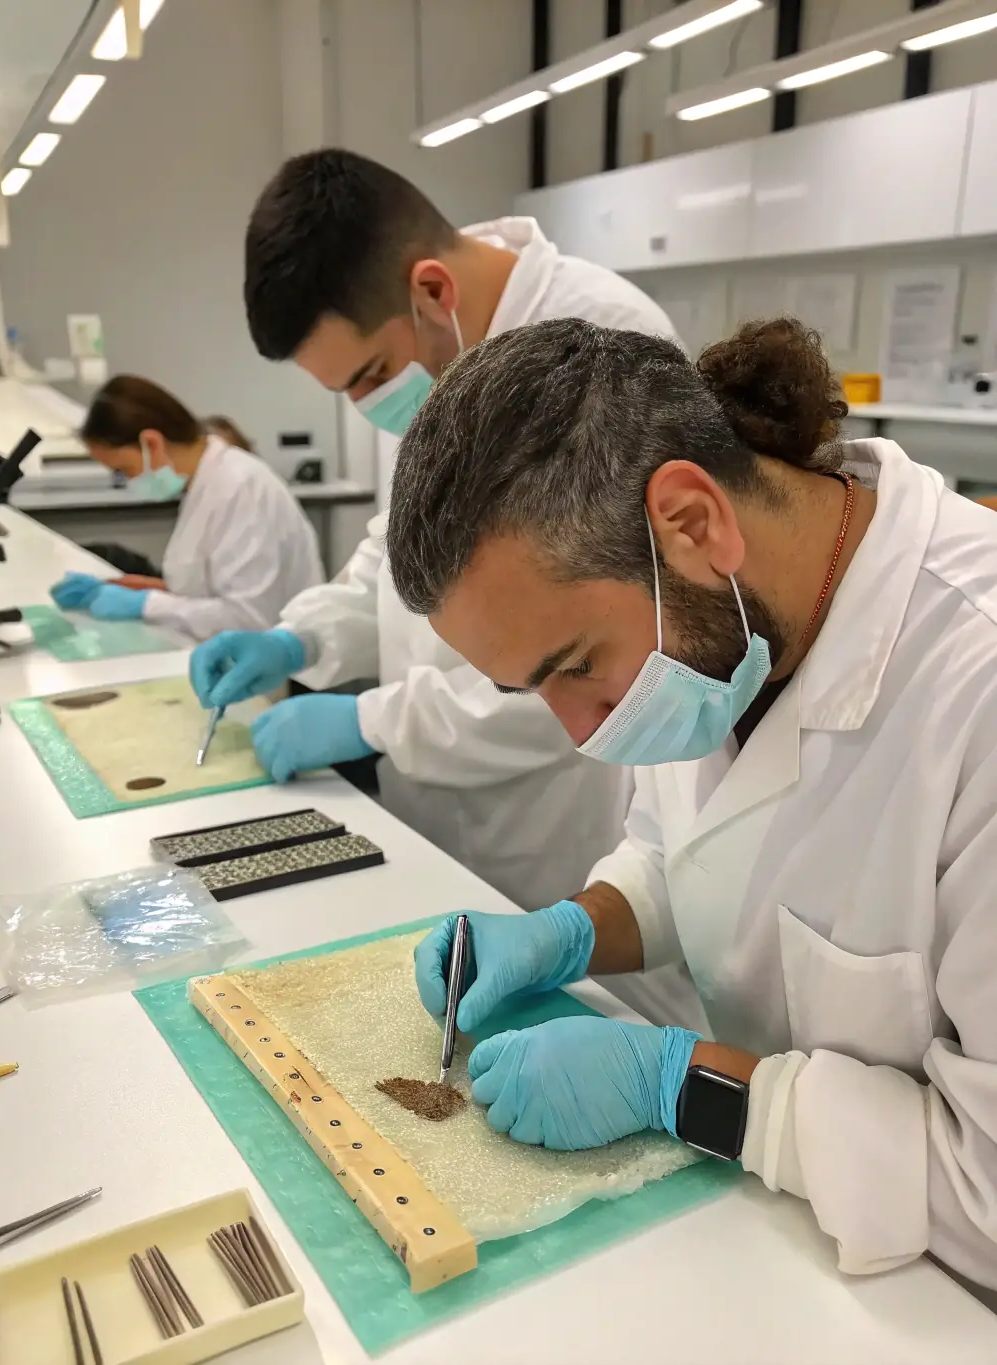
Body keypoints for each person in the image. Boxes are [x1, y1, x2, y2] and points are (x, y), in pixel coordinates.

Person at [385, 316, 997, 1298]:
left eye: (574, 668)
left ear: (692, 520)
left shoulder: (975, 688)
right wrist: (567, 935)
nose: (580, 731)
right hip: (775, 1243)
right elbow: (690, 855)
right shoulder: (723, 618)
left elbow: (985, 1189)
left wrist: (683, 1087)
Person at [189, 148, 681, 911]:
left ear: (432, 289)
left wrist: (369, 719)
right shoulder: (430, 355)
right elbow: (398, 553)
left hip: (546, 828)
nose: (366, 403)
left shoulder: (604, 343)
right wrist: (302, 639)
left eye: (367, 375)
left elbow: (592, 668)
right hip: (422, 809)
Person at [50, 376, 324, 641]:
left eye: (124, 470)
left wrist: (146, 604)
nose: (128, 482)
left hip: (279, 670)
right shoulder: (203, 485)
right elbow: (205, 588)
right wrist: (128, 589)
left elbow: (249, 619)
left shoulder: (241, 487)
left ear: (152, 443)